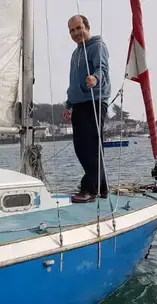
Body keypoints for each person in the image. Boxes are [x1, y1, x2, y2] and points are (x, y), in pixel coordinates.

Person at [64, 15, 110, 203]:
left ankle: (90, 188)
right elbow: (73, 81)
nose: (76, 33)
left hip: (94, 100)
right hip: (79, 103)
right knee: (82, 147)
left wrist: (95, 78)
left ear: (87, 27)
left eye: (78, 28)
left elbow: (102, 69)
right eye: (72, 31)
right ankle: (103, 188)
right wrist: (69, 103)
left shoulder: (97, 46)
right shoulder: (76, 53)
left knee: (89, 148)